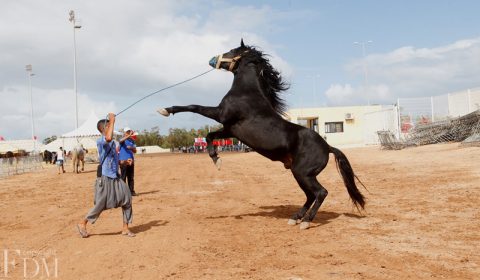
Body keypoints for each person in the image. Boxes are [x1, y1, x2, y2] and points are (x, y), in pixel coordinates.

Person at [76, 113, 135, 238]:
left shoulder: (113, 143)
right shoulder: (101, 141)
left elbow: (115, 160)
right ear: (104, 128)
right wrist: (112, 120)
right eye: (109, 126)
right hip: (105, 178)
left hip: (116, 177)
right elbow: (108, 138)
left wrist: (124, 161)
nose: (112, 128)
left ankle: (125, 228)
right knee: (101, 205)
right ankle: (83, 223)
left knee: (127, 199)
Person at [119, 127, 137, 196]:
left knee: (131, 177)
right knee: (123, 177)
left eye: (129, 131)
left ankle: (131, 191)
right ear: (124, 133)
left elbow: (135, 151)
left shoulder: (132, 141)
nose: (128, 132)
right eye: (127, 132)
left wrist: (131, 148)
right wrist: (128, 136)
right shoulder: (122, 140)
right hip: (123, 161)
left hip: (131, 161)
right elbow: (120, 141)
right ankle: (123, 193)